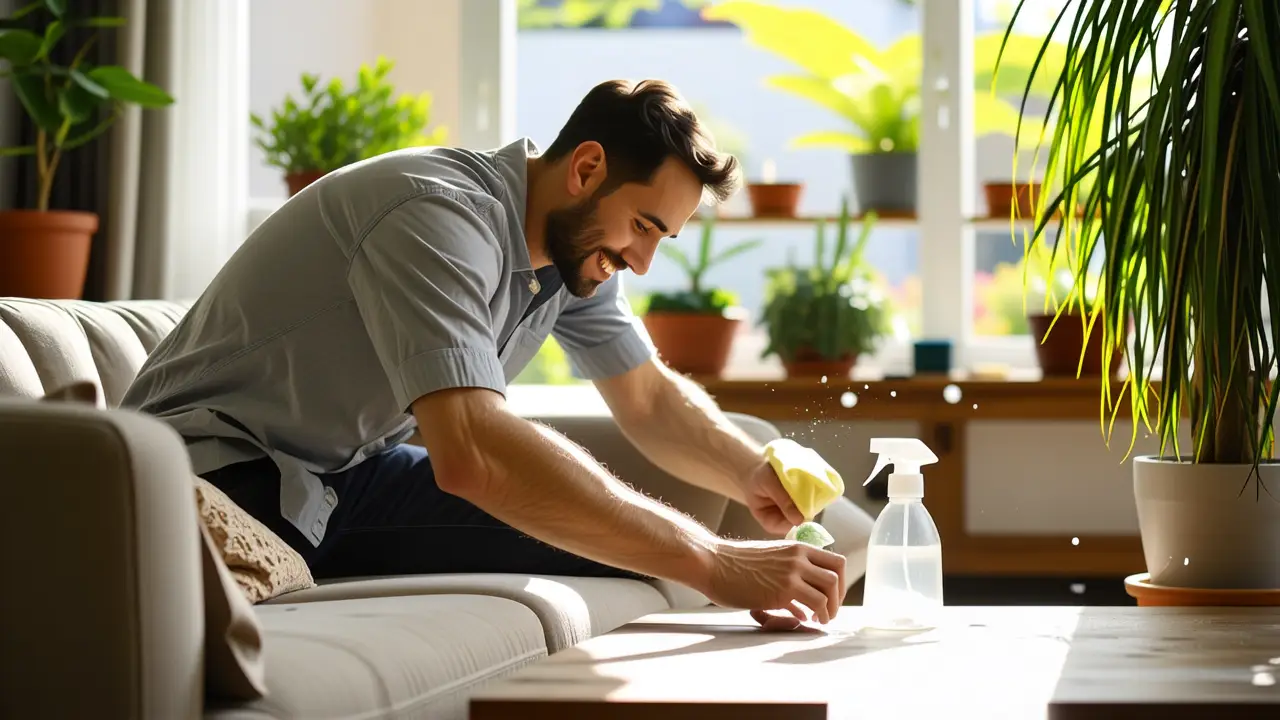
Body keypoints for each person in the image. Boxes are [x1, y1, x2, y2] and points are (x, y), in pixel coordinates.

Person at [123, 78, 865, 630]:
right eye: (642, 226)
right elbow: (472, 452)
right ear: (586, 168)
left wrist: (748, 471)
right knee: (672, 545)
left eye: (659, 239)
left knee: (618, 539)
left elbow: (646, 397)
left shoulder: (574, 253)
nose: (641, 262)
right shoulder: (436, 215)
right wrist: (716, 559)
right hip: (221, 476)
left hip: (346, 474)